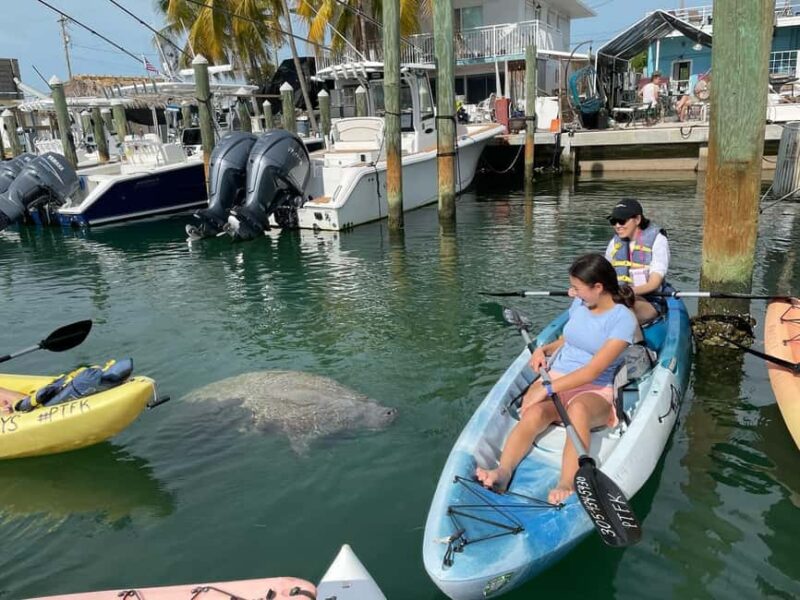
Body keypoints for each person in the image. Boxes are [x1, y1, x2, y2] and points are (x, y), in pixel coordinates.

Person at [476, 253, 637, 504]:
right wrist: (545, 349)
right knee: (534, 413)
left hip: (595, 389)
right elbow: (569, 339)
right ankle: (503, 472)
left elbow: (593, 370)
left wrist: (547, 388)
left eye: (577, 288)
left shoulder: (622, 319)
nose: (572, 293)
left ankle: (567, 482)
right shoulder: (581, 305)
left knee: (579, 409)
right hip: (560, 376)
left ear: (598, 287)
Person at [604, 198, 670, 324]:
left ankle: (637, 342)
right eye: (614, 221)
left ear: (638, 220)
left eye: (622, 221)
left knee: (622, 305)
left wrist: (627, 293)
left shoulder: (658, 240)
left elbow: (654, 284)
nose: (617, 225)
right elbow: (603, 275)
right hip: (620, 296)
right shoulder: (614, 243)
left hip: (650, 301)